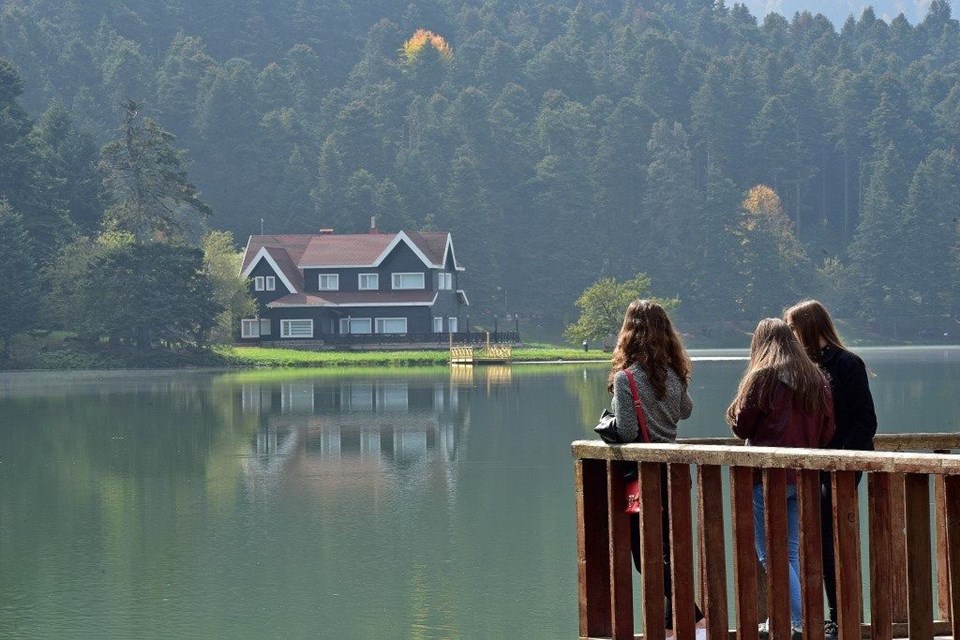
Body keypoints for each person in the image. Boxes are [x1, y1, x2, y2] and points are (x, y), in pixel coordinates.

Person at [726, 318, 835, 640]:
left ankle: (801, 622)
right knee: (788, 553)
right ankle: (793, 619)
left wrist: (733, 410)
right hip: (804, 476)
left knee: (769, 554)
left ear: (759, 344)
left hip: (767, 477)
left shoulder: (762, 376)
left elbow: (742, 427)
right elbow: (827, 431)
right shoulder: (817, 378)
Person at [607, 299, 706, 639]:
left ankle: (694, 618)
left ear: (629, 334)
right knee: (669, 549)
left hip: (640, 481)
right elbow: (686, 412)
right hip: (674, 475)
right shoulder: (674, 375)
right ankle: (670, 628)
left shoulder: (626, 379)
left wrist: (609, 425)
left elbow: (628, 433)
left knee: (643, 554)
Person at [783, 300, 877, 640]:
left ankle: (839, 615)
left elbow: (866, 421)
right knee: (814, 541)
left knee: (832, 540)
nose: (791, 335)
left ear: (809, 327)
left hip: (842, 464)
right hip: (812, 466)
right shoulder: (804, 367)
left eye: (794, 328)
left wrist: (838, 459)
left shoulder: (848, 363)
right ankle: (819, 616)